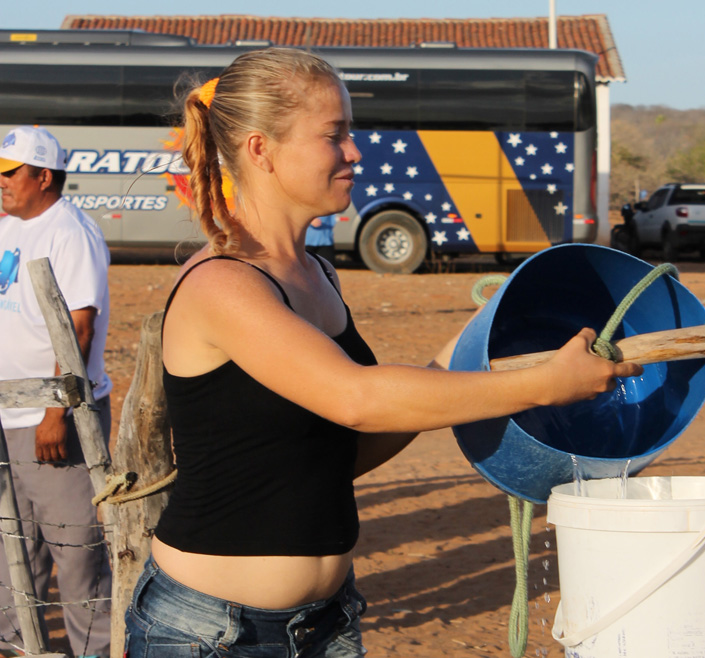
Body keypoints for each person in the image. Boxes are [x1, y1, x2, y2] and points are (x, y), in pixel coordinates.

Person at [123, 48, 642, 658]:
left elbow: (338, 452)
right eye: (334, 134)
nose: (354, 152)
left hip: (326, 623)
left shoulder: (317, 274)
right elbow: (358, 400)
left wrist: (482, 336)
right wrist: (543, 385)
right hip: (212, 633)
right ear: (260, 149)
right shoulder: (223, 282)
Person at [0, 126, 112, 657]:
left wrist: (55, 414)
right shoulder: (11, 227)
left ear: (44, 177)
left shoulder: (70, 232)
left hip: (50, 416)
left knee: (74, 548)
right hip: (8, 410)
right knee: (14, 544)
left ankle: (94, 649)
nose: (1, 182)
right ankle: (19, 645)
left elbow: (78, 330)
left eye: (9, 173)